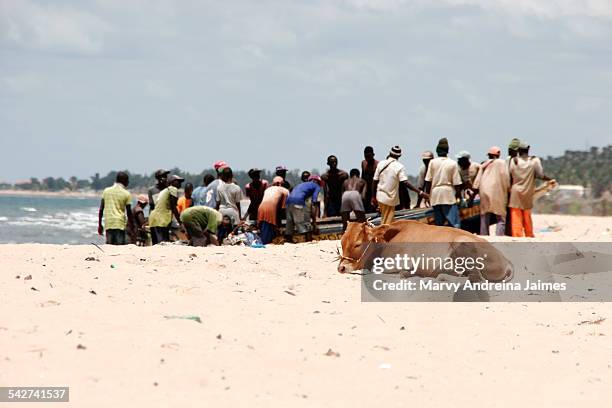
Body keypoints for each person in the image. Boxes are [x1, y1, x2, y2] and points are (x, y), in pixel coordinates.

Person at [508, 142, 554, 237]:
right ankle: (529, 234)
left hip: (515, 191)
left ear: (519, 150)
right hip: (528, 191)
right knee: (527, 215)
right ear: (528, 150)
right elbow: (540, 175)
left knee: (516, 215)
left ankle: (517, 235)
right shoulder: (534, 161)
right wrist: (550, 179)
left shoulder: (514, 161)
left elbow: (509, 175)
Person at [372, 146, 427, 225]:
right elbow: (405, 183)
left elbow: (375, 181)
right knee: (387, 223)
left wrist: (373, 197)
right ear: (399, 156)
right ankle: (382, 236)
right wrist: (421, 192)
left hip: (380, 197)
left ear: (390, 153)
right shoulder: (399, 166)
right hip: (389, 199)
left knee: (384, 219)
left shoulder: (381, 164)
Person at [424, 138, 462, 228]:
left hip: (435, 194)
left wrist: (427, 195)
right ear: (447, 151)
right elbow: (457, 183)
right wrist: (458, 196)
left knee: (439, 223)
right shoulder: (452, 163)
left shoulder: (432, 162)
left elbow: (428, 181)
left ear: (437, 151)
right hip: (448, 194)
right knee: (454, 223)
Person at [472, 146, 509, 236]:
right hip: (497, 191)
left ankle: (484, 235)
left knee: (484, 215)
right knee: (500, 216)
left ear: (489, 155)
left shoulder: (483, 165)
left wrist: (473, 195)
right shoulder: (502, 163)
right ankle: (499, 236)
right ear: (498, 154)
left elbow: (476, 183)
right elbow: (506, 178)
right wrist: (507, 189)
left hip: (484, 191)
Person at [97, 171, 135, 245]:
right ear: (123, 180)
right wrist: (132, 227)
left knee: (110, 246)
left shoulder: (106, 191)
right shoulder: (126, 193)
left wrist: (100, 225)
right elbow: (129, 212)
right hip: (119, 224)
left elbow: (101, 209)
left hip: (108, 223)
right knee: (119, 247)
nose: (128, 182)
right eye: (127, 180)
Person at [284, 175, 322, 242]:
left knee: (289, 223)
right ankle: (308, 240)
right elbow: (314, 202)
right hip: (298, 201)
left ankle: (288, 240)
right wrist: (314, 221)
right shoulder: (316, 186)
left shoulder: (301, 185)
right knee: (304, 222)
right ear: (316, 181)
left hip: (288, 202)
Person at [148, 174, 184, 244]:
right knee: (162, 244)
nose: (180, 184)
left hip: (154, 218)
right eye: (178, 181)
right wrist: (180, 222)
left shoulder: (165, 190)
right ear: (172, 182)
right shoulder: (173, 189)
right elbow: (174, 207)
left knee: (157, 244)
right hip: (161, 219)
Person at [257, 176, 290, 244]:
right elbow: (283, 208)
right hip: (271, 208)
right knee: (270, 225)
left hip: (260, 208)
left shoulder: (267, 189)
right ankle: (266, 240)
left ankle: (263, 239)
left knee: (264, 225)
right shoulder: (285, 190)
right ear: (281, 183)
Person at [504, 138, 521, 236]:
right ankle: (508, 232)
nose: (509, 151)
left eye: (511, 149)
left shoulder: (520, 161)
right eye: (509, 149)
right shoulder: (507, 160)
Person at [361, 146, 379, 213]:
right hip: (366, 190)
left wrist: (374, 195)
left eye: (369, 156)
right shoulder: (363, 163)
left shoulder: (377, 165)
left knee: (374, 209)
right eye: (365, 156)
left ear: (373, 155)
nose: (367, 158)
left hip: (375, 190)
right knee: (366, 209)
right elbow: (362, 177)